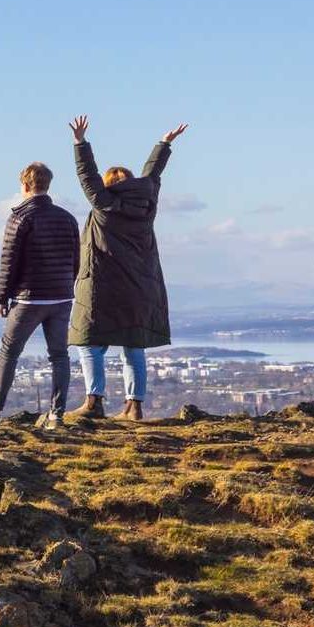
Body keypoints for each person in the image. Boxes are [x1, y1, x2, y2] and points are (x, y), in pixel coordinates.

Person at [64, 116, 187, 422]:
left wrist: (80, 143)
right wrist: (164, 145)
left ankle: (94, 400)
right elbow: (152, 175)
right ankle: (135, 406)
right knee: (134, 347)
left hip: (102, 286)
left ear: (107, 187)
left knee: (87, 341)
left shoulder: (104, 205)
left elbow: (87, 176)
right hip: (140, 287)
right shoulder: (147, 205)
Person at [0, 161, 81, 429]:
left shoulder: (20, 218)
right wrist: (65, 286)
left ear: (24, 186)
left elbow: (9, 262)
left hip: (28, 298)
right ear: (47, 185)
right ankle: (56, 415)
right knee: (59, 356)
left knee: (9, 353)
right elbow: (76, 261)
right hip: (60, 298)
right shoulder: (67, 218)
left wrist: (1, 298)